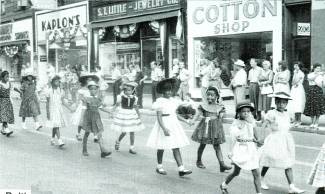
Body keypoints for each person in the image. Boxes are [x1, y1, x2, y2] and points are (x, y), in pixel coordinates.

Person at [259, 92, 305, 194]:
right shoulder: (271, 113)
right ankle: (261, 179)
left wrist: (291, 124)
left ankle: (291, 186)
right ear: (275, 102)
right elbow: (264, 125)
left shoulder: (287, 114)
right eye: (279, 102)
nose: (281, 105)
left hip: (285, 141)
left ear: (286, 104)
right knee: (268, 160)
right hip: (274, 139)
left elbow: (287, 125)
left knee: (288, 162)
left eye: (284, 103)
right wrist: (261, 138)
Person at [146, 78, 192, 177]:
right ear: (162, 91)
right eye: (167, 90)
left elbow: (175, 115)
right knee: (161, 146)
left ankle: (181, 169)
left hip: (173, 124)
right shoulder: (160, 102)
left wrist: (186, 121)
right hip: (164, 124)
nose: (169, 92)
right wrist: (164, 128)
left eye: (170, 90)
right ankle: (159, 166)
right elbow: (159, 117)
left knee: (176, 146)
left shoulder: (173, 101)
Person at [220, 101, 262, 194]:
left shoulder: (251, 120)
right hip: (241, 149)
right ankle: (224, 184)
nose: (246, 113)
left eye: (248, 111)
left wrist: (257, 140)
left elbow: (253, 130)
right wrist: (230, 151)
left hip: (251, 149)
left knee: (256, 172)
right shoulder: (236, 123)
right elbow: (233, 139)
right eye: (243, 111)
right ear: (238, 112)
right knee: (236, 172)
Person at [190, 86, 232, 172]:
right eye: (208, 95)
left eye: (212, 95)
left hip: (216, 127)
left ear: (217, 96)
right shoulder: (203, 105)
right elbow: (198, 114)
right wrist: (193, 120)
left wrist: (221, 114)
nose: (210, 97)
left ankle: (222, 164)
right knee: (202, 144)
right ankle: (198, 160)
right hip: (205, 126)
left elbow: (222, 114)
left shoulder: (219, 106)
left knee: (217, 146)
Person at [112, 81, 145, 154]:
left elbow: (135, 106)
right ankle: (118, 141)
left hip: (131, 114)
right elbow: (117, 105)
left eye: (129, 90)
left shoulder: (135, 98)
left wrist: (139, 114)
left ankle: (131, 147)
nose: (127, 92)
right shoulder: (121, 97)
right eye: (126, 90)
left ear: (133, 90)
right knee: (124, 132)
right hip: (124, 114)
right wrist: (112, 111)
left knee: (132, 131)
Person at [81, 81, 112, 158]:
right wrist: (82, 119)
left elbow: (101, 108)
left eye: (95, 89)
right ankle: (84, 149)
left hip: (96, 117)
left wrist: (109, 112)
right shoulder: (86, 99)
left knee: (99, 134)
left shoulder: (98, 99)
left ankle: (103, 151)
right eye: (91, 89)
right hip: (88, 117)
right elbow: (83, 109)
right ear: (89, 90)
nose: (93, 91)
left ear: (97, 90)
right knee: (87, 133)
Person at [46, 75, 71, 147]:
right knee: (56, 125)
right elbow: (47, 103)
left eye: (58, 81)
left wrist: (70, 108)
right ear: (52, 82)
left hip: (59, 110)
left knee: (56, 125)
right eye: (55, 81)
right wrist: (48, 112)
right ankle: (60, 140)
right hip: (52, 110)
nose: (57, 82)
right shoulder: (49, 91)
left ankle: (52, 138)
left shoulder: (60, 91)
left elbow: (63, 101)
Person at [72, 74, 99, 141]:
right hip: (84, 107)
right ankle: (78, 133)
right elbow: (81, 98)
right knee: (81, 121)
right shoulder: (82, 89)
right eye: (88, 79)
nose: (90, 81)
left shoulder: (93, 89)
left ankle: (95, 136)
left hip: (92, 107)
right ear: (85, 81)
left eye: (91, 79)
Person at [304, 63, 325, 129]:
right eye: (317, 68)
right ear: (314, 68)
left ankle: (316, 122)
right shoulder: (310, 74)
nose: (318, 69)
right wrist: (318, 74)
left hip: (318, 90)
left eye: (319, 68)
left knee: (318, 106)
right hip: (311, 90)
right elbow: (311, 79)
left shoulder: (322, 75)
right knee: (312, 106)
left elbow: (323, 85)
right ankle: (312, 122)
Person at [287, 62, 306, 126]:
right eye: (295, 65)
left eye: (297, 65)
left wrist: (295, 82)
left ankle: (299, 120)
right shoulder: (295, 72)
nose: (295, 67)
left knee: (298, 103)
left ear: (299, 67)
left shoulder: (301, 73)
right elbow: (292, 82)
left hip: (298, 88)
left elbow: (297, 81)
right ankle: (295, 119)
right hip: (294, 88)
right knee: (293, 103)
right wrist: (295, 74)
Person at [0, 71, 14, 136]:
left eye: (8, 77)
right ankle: (7, 129)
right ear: (2, 77)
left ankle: (3, 129)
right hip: (1, 102)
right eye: (6, 77)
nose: (8, 78)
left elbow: (13, 88)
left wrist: (20, 92)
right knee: (4, 115)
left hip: (8, 101)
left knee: (6, 116)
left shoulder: (9, 83)